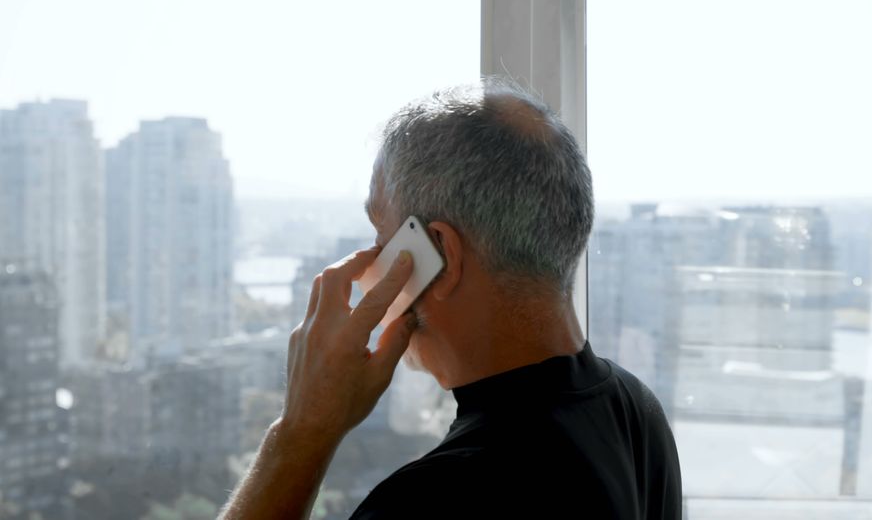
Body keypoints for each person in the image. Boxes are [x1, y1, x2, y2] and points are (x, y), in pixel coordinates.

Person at [218, 80, 682, 519]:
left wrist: (301, 432)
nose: (372, 266)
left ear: (440, 253)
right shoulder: (637, 412)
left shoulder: (436, 498)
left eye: (383, 236)